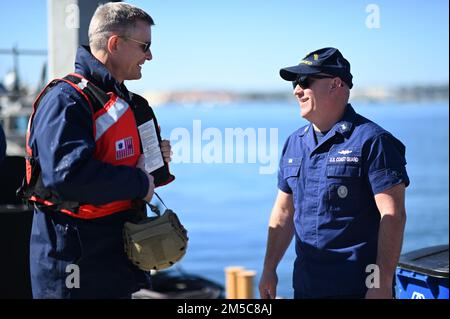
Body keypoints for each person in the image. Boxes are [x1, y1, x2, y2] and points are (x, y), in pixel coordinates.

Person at [24, 3, 172, 299]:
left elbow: (129, 163)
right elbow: (67, 177)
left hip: (117, 257)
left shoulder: (131, 103)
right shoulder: (66, 100)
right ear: (115, 43)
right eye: (145, 46)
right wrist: (140, 181)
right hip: (74, 258)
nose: (150, 56)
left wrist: (156, 158)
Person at [259, 47, 409, 299]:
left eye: (305, 81)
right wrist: (269, 268)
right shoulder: (294, 143)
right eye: (295, 83)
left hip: (357, 289)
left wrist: (381, 284)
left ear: (335, 84)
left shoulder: (373, 141)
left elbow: (393, 215)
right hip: (306, 286)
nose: (297, 90)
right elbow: (284, 211)